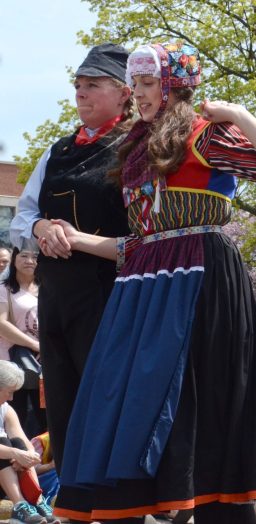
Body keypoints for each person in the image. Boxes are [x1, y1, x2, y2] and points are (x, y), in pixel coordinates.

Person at [47, 42, 256, 522]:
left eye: (147, 84)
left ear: (172, 87)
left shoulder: (204, 135)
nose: (137, 93)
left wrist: (239, 113)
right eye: (135, 84)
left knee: (199, 395)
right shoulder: (136, 149)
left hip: (201, 278)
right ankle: (139, 501)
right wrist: (76, 238)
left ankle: (212, 504)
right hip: (143, 284)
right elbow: (140, 242)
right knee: (128, 396)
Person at [7, 44, 134, 514]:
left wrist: (76, 238)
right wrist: (40, 228)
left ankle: (121, 505)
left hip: (110, 295)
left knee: (109, 403)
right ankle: (75, 504)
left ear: (123, 94)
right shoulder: (57, 150)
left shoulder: (136, 147)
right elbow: (23, 216)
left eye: (93, 85)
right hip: (57, 299)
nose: (81, 93)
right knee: (62, 406)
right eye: (78, 85)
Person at [0, 360, 57, 523]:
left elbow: (23, 441)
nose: (11, 398)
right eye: (9, 392)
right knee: (4, 442)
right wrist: (14, 454)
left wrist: (29, 456)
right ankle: (19, 505)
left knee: (20, 446)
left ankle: (36, 501)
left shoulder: (6, 409)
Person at [0, 247, 45, 438]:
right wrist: (35, 345)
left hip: (44, 364)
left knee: (44, 416)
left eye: (35, 256)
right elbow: (1, 324)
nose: (29, 260)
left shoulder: (47, 286)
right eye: (24, 255)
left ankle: (46, 462)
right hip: (12, 362)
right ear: (14, 259)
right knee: (17, 415)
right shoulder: (4, 288)